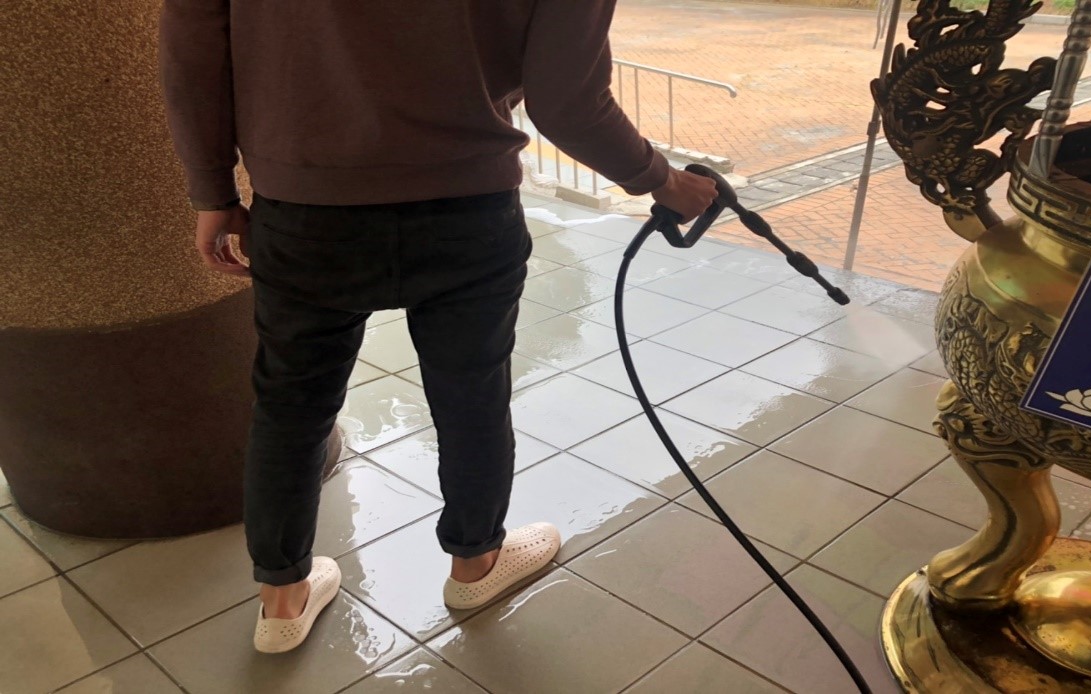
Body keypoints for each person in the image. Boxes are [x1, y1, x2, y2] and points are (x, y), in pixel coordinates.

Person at [159, 0, 719, 653]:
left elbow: (193, 52)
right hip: (468, 206)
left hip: (304, 208)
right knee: (471, 396)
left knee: (291, 404)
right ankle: (475, 563)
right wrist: (663, 181)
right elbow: (567, 101)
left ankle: (282, 599)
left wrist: (213, 191)